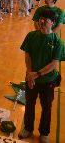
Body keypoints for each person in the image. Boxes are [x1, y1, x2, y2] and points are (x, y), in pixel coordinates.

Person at [18, 8, 63, 143]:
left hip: (47, 80)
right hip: (32, 77)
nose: (42, 22)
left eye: (46, 20)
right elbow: (28, 56)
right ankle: (28, 128)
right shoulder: (31, 36)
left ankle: (44, 132)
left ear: (53, 23)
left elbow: (54, 64)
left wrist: (36, 75)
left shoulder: (57, 42)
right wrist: (29, 74)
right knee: (30, 104)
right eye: (41, 19)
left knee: (46, 107)